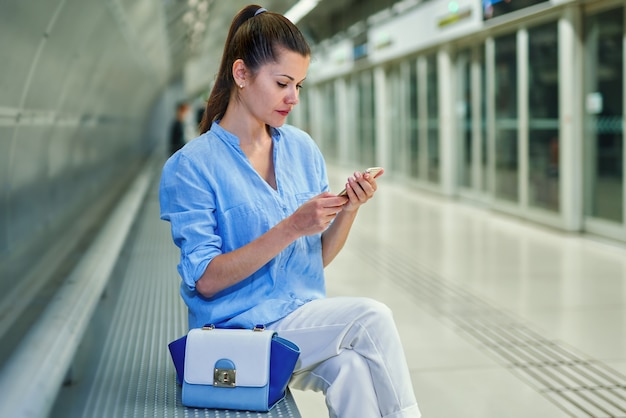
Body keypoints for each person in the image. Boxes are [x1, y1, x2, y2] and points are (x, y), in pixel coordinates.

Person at [159, 5, 421, 418]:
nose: (293, 98)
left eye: (299, 84)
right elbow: (206, 281)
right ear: (241, 74)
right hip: (237, 335)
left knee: (352, 369)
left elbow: (313, 261)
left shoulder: (300, 149)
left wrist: (348, 208)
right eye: (283, 83)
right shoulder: (192, 167)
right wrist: (291, 226)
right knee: (372, 316)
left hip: (297, 321)